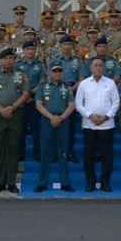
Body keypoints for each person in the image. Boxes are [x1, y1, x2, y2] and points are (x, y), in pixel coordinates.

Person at [0, 48, 30, 193]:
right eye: (5, 58)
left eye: (11, 58)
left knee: (13, 147)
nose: (8, 61)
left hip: (16, 114)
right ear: (0, 60)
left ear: (14, 60)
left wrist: (11, 108)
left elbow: (25, 94)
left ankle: (11, 182)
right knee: (0, 149)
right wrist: (1, 109)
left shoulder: (20, 75)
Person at [75, 57, 120, 192]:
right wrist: (90, 115)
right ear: (91, 68)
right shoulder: (83, 84)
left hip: (107, 124)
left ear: (103, 68)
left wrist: (106, 116)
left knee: (107, 155)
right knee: (89, 155)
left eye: (100, 65)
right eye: (95, 65)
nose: (98, 67)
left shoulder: (111, 83)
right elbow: (78, 103)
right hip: (89, 125)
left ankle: (105, 181)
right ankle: (90, 182)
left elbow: (116, 102)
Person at [33, 64, 76, 193]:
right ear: (50, 73)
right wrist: (51, 117)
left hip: (63, 121)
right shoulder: (42, 87)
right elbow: (38, 105)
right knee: (45, 152)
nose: (57, 73)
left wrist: (61, 118)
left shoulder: (67, 87)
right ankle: (42, 183)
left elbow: (72, 105)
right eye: (54, 71)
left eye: (59, 71)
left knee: (63, 152)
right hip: (47, 121)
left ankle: (65, 183)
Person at [48, 35, 83, 163]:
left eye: (69, 44)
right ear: (60, 46)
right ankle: (56, 152)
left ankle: (69, 152)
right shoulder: (54, 60)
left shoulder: (78, 61)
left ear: (72, 46)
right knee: (56, 125)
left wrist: (70, 90)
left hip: (72, 91)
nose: (67, 47)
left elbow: (81, 79)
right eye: (64, 44)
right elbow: (49, 77)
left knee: (70, 126)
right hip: (56, 92)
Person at [15, 39, 47, 160]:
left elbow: (42, 82)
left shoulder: (40, 64)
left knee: (36, 128)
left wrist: (30, 94)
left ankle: (37, 152)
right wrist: (24, 96)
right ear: (23, 50)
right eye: (28, 49)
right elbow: (16, 82)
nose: (30, 51)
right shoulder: (17, 65)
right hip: (20, 101)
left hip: (34, 100)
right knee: (20, 128)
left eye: (33, 49)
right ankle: (20, 153)